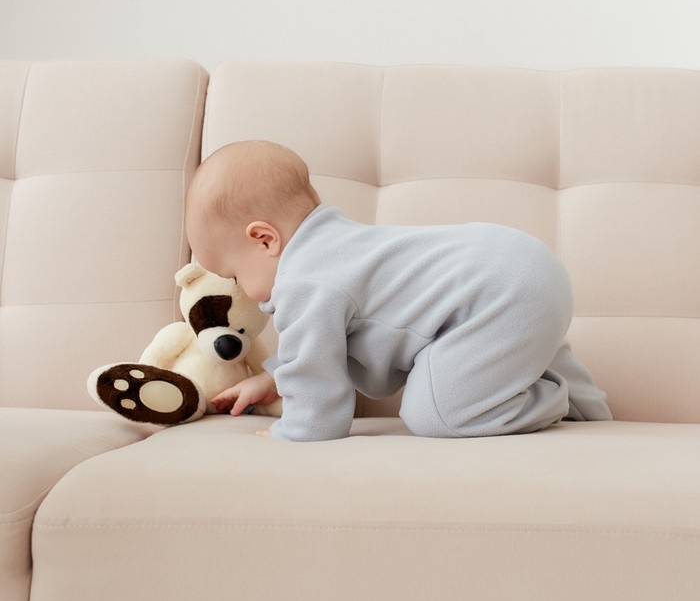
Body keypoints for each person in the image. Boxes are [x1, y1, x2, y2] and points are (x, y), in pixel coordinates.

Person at [185, 140, 611, 441]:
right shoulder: (339, 248)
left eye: (235, 276)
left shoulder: (303, 281)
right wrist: (273, 378)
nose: (244, 292)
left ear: (265, 240)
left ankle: (551, 398)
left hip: (500, 293)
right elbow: (326, 343)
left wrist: (298, 430)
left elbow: (318, 398)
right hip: (518, 269)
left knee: (435, 414)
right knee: (503, 340)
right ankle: (574, 396)